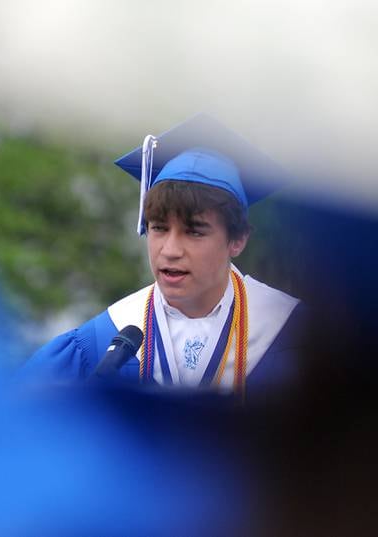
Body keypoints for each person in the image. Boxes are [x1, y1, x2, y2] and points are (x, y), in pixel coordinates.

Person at [20, 114, 304, 400]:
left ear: (237, 240)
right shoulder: (102, 341)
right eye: (158, 228)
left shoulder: (292, 335)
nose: (169, 250)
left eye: (194, 232)